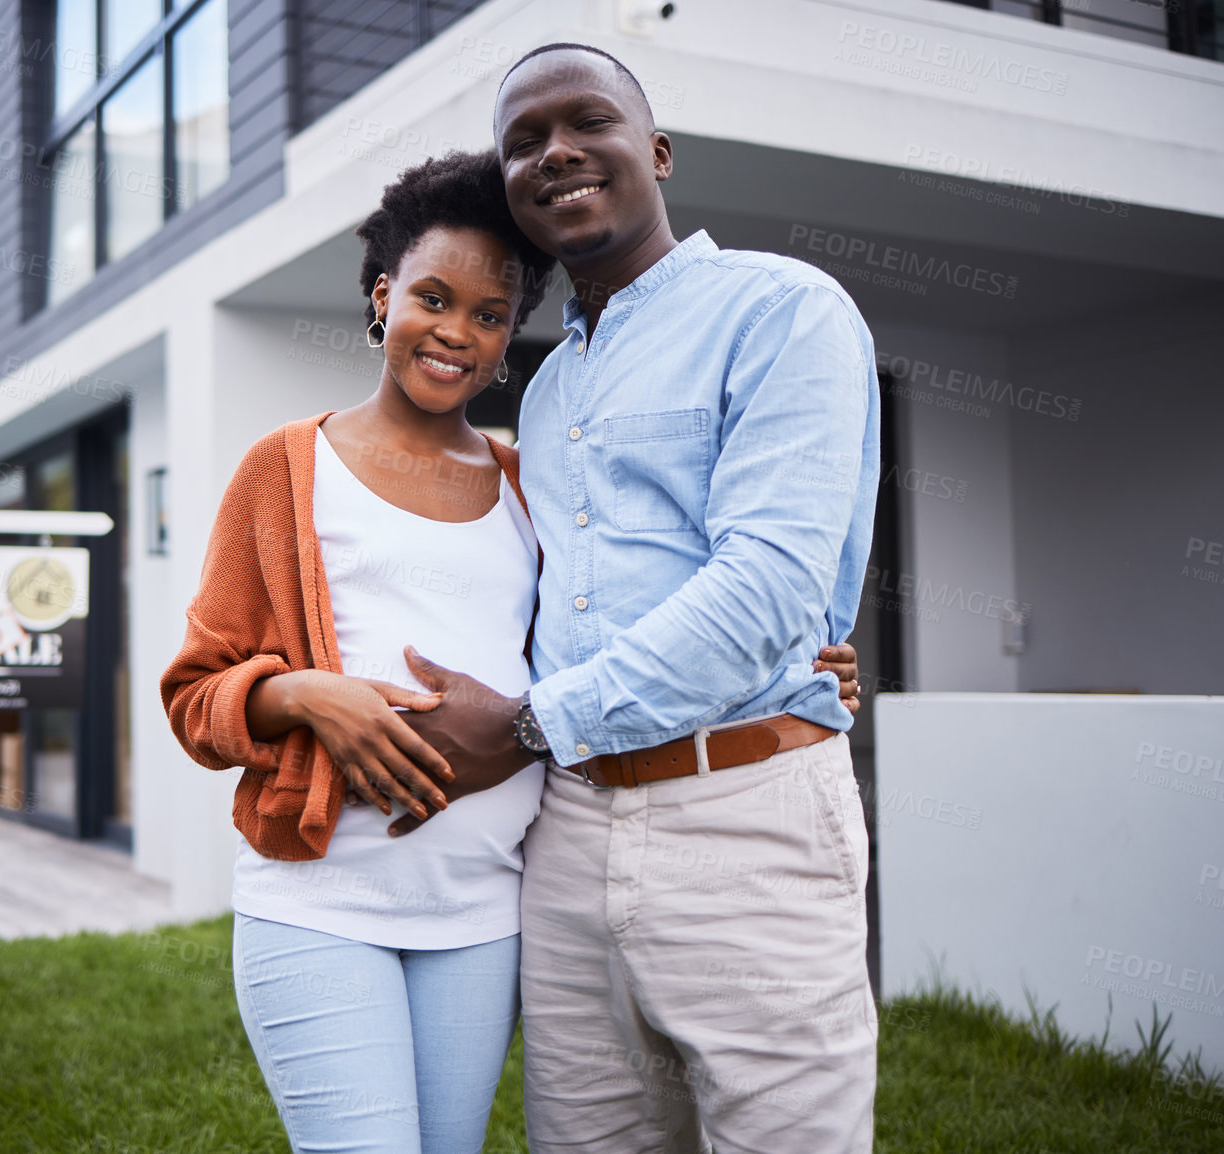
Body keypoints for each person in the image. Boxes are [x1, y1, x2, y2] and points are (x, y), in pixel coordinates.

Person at [161, 150, 863, 1153]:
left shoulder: (529, 481)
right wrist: (310, 694)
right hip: (324, 899)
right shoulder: (285, 468)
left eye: (490, 315)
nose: (456, 332)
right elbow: (197, 692)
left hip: (486, 911)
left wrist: (803, 662)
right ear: (382, 295)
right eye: (433, 298)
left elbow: (606, 624)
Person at [388, 43, 884, 1153]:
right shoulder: (547, 383)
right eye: (523, 141)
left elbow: (765, 588)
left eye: (587, 122)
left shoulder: (782, 309)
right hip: (566, 835)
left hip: (743, 807)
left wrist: (523, 725)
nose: (555, 150)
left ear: (654, 151)